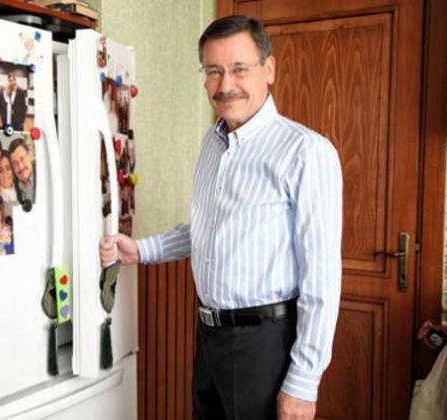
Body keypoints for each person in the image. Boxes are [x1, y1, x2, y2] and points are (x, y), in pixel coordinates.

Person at [99, 15, 342, 420]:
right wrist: (141, 250)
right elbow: (211, 230)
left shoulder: (306, 152)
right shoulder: (212, 145)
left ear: (269, 69)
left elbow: (323, 277)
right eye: (213, 71)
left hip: (266, 346)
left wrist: (304, 380)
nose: (225, 84)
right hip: (209, 338)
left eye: (239, 69)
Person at [9, 138, 36, 204]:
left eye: (22, 159)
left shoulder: (43, 175)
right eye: (15, 163)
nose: (20, 167)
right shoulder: (14, 185)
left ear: (29, 156)